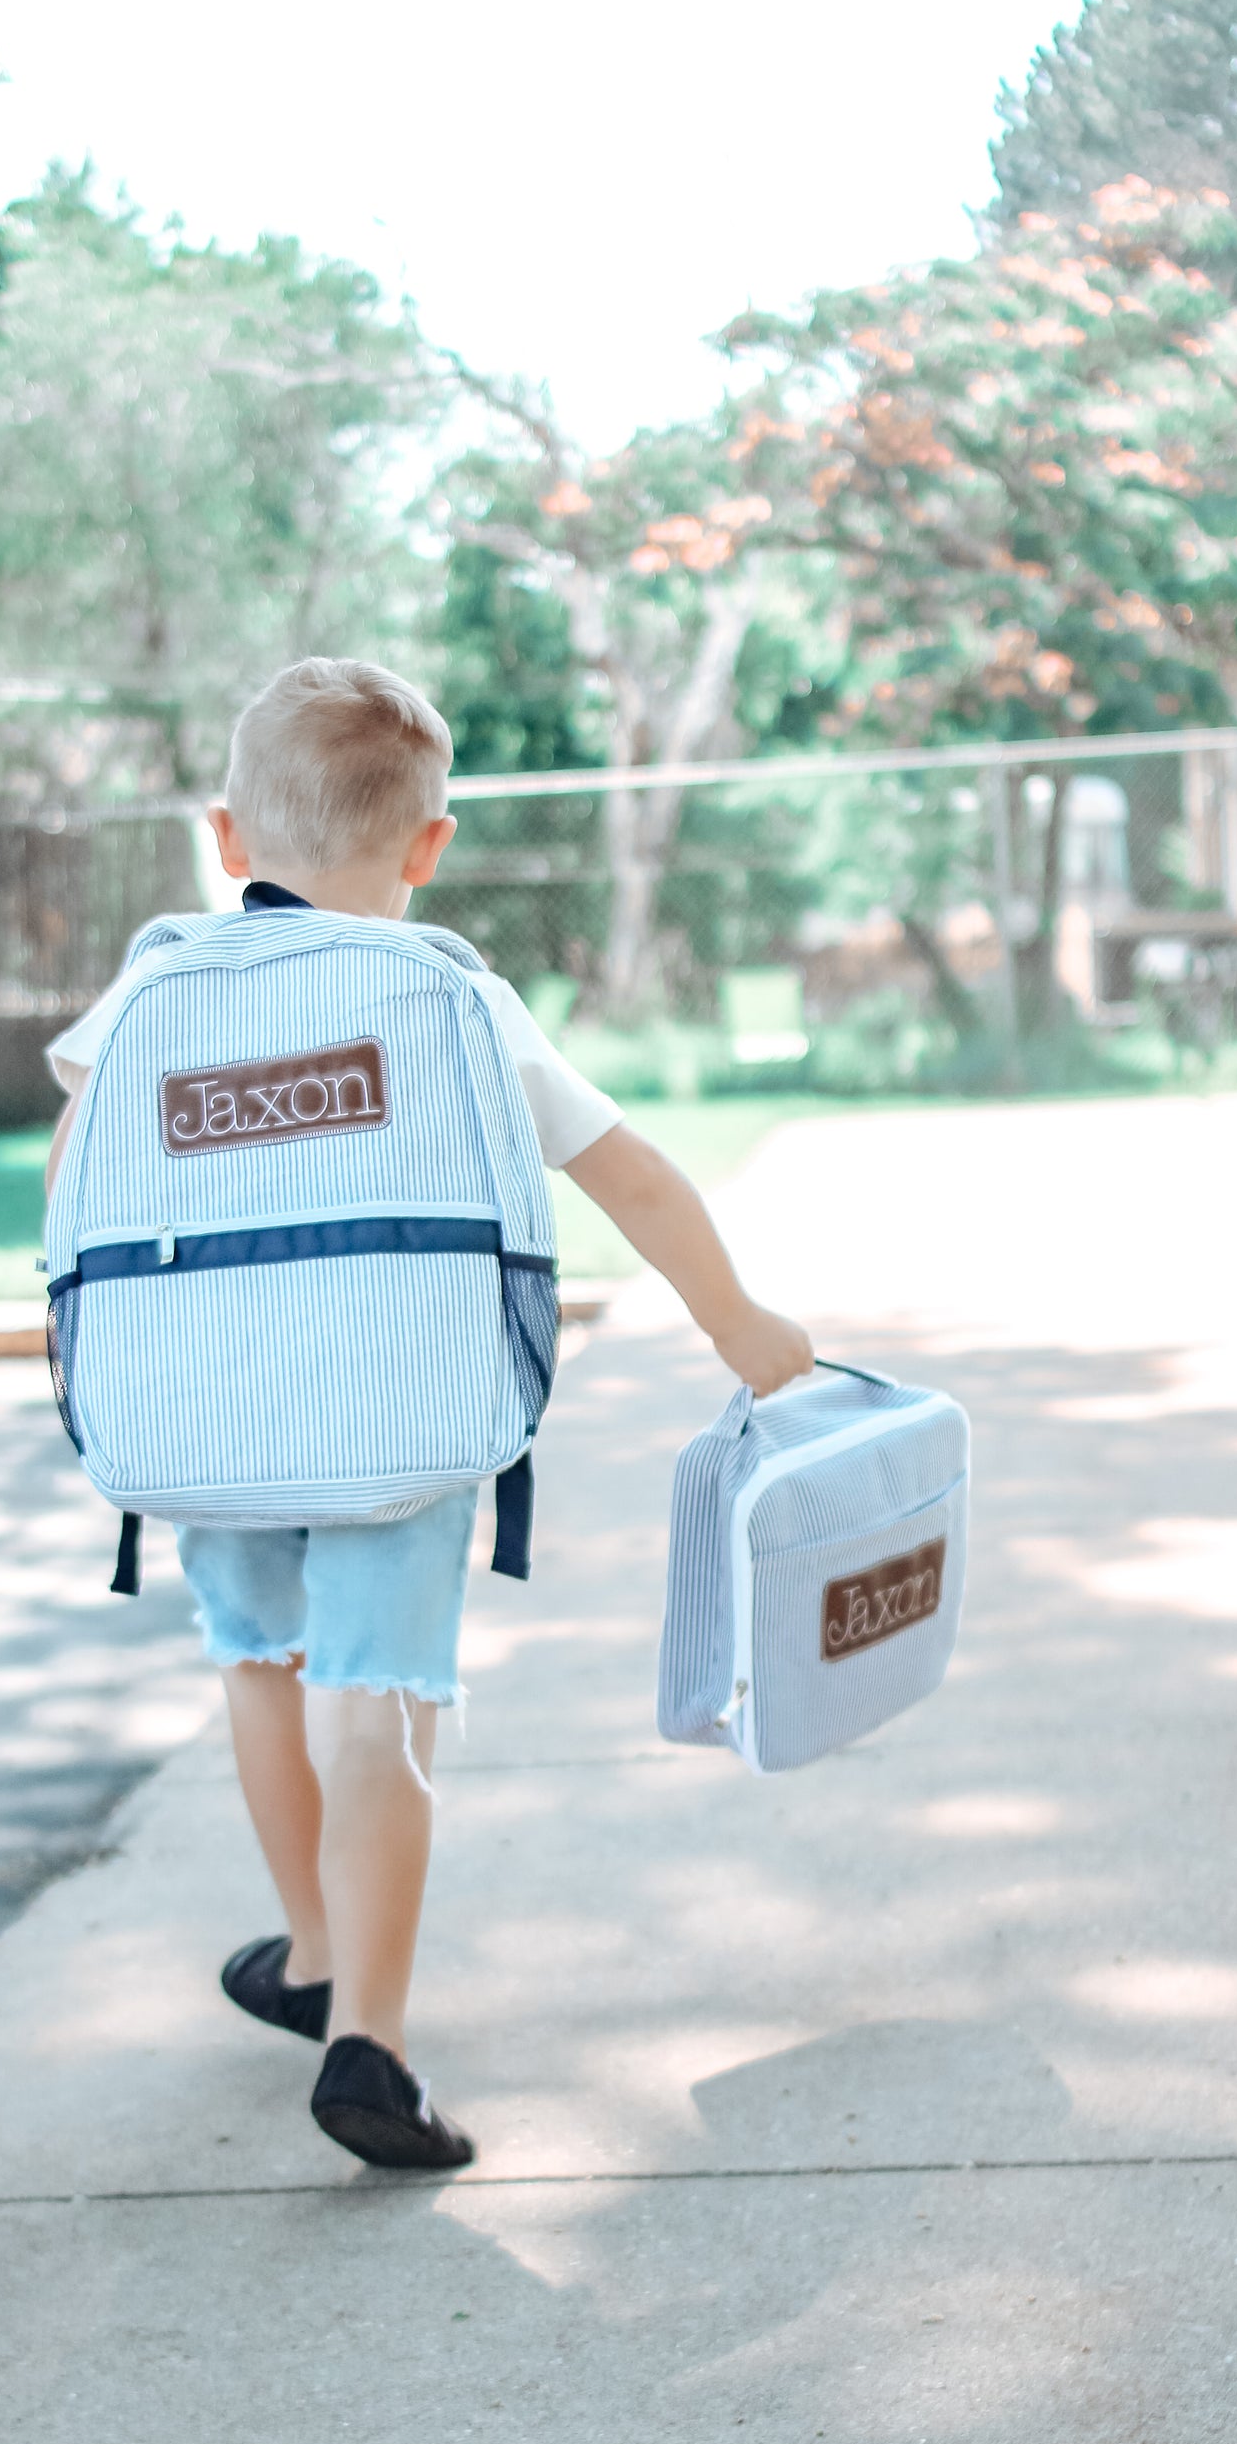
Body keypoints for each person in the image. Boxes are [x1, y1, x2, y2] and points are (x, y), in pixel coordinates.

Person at [45, 659, 812, 2173]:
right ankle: (368, 2042)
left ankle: (314, 1947)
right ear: (425, 846)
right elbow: (630, 1171)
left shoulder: (152, 987)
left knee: (257, 1668)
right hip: (402, 1413)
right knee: (376, 1705)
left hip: (203, 1418)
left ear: (225, 835)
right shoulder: (452, 992)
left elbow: (73, 1172)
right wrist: (741, 1325)